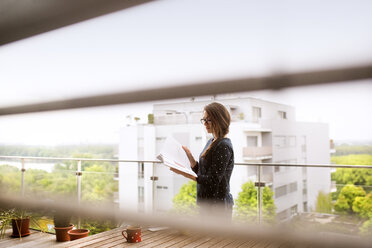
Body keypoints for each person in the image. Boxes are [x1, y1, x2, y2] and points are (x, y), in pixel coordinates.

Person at [170, 102, 234, 220]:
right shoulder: (212, 141)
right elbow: (204, 171)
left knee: (215, 239)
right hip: (207, 203)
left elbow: (213, 180)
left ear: (219, 120)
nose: (205, 123)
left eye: (208, 120)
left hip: (217, 207)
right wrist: (190, 157)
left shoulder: (223, 145)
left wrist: (185, 174)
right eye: (203, 119)